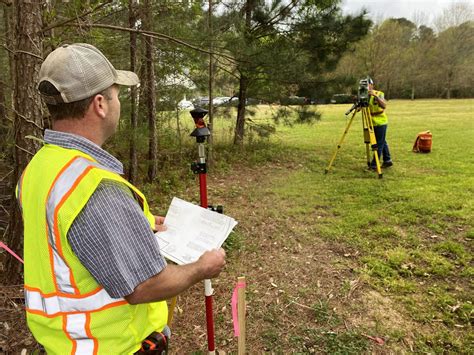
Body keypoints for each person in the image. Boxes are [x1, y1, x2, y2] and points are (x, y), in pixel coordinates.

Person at [16, 43, 226, 354]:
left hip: (64, 343)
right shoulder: (95, 189)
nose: (118, 103)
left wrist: (140, 223)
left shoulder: (39, 167)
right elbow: (143, 286)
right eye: (116, 95)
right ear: (100, 104)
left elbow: (66, 237)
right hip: (114, 346)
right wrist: (202, 267)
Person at [368, 78, 393, 169]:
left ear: (372, 85)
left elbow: (384, 105)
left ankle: (374, 164)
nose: (366, 87)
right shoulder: (364, 96)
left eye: (368, 84)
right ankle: (387, 160)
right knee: (382, 141)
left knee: (378, 143)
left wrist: (375, 96)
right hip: (371, 122)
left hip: (381, 122)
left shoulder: (379, 94)